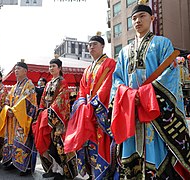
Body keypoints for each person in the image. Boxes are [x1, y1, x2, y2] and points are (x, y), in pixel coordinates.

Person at [109, 3, 190, 179]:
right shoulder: (124, 52)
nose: (138, 21)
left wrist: (144, 96)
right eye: (134, 18)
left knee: (157, 152)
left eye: (142, 16)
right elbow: (117, 80)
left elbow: (170, 74)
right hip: (132, 111)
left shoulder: (162, 44)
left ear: (152, 19)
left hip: (154, 112)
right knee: (131, 157)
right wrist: (129, 95)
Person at [64, 34, 117, 179]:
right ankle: (93, 174)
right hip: (87, 112)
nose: (91, 47)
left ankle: (104, 174)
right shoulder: (87, 69)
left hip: (101, 111)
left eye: (94, 44)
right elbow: (82, 89)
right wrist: (82, 103)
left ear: (102, 46)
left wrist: (95, 104)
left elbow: (108, 86)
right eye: (89, 45)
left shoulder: (110, 63)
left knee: (102, 142)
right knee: (88, 144)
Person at [33, 59, 77, 180]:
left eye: (54, 66)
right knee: (48, 144)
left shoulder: (63, 82)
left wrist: (49, 112)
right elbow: (42, 99)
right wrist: (41, 110)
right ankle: (52, 169)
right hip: (46, 116)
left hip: (57, 119)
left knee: (57, 144)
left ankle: (62, 171)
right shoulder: (48, 83)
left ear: (59, 68)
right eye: (50, 66)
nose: (51, 68)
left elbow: (61, 100)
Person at [0, 61, 37, 176]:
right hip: (12, 118)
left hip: (22, 118)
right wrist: (7, 108)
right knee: (11, 140)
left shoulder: (29, 85)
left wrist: (13, 110)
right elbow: (7, 99)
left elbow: (27, 100)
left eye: (19, 68)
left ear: (25, 71)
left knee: (23, 140)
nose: (16, 71)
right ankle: (13, 161)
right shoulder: (14, 86)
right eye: (15, 69)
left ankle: (26, 166)